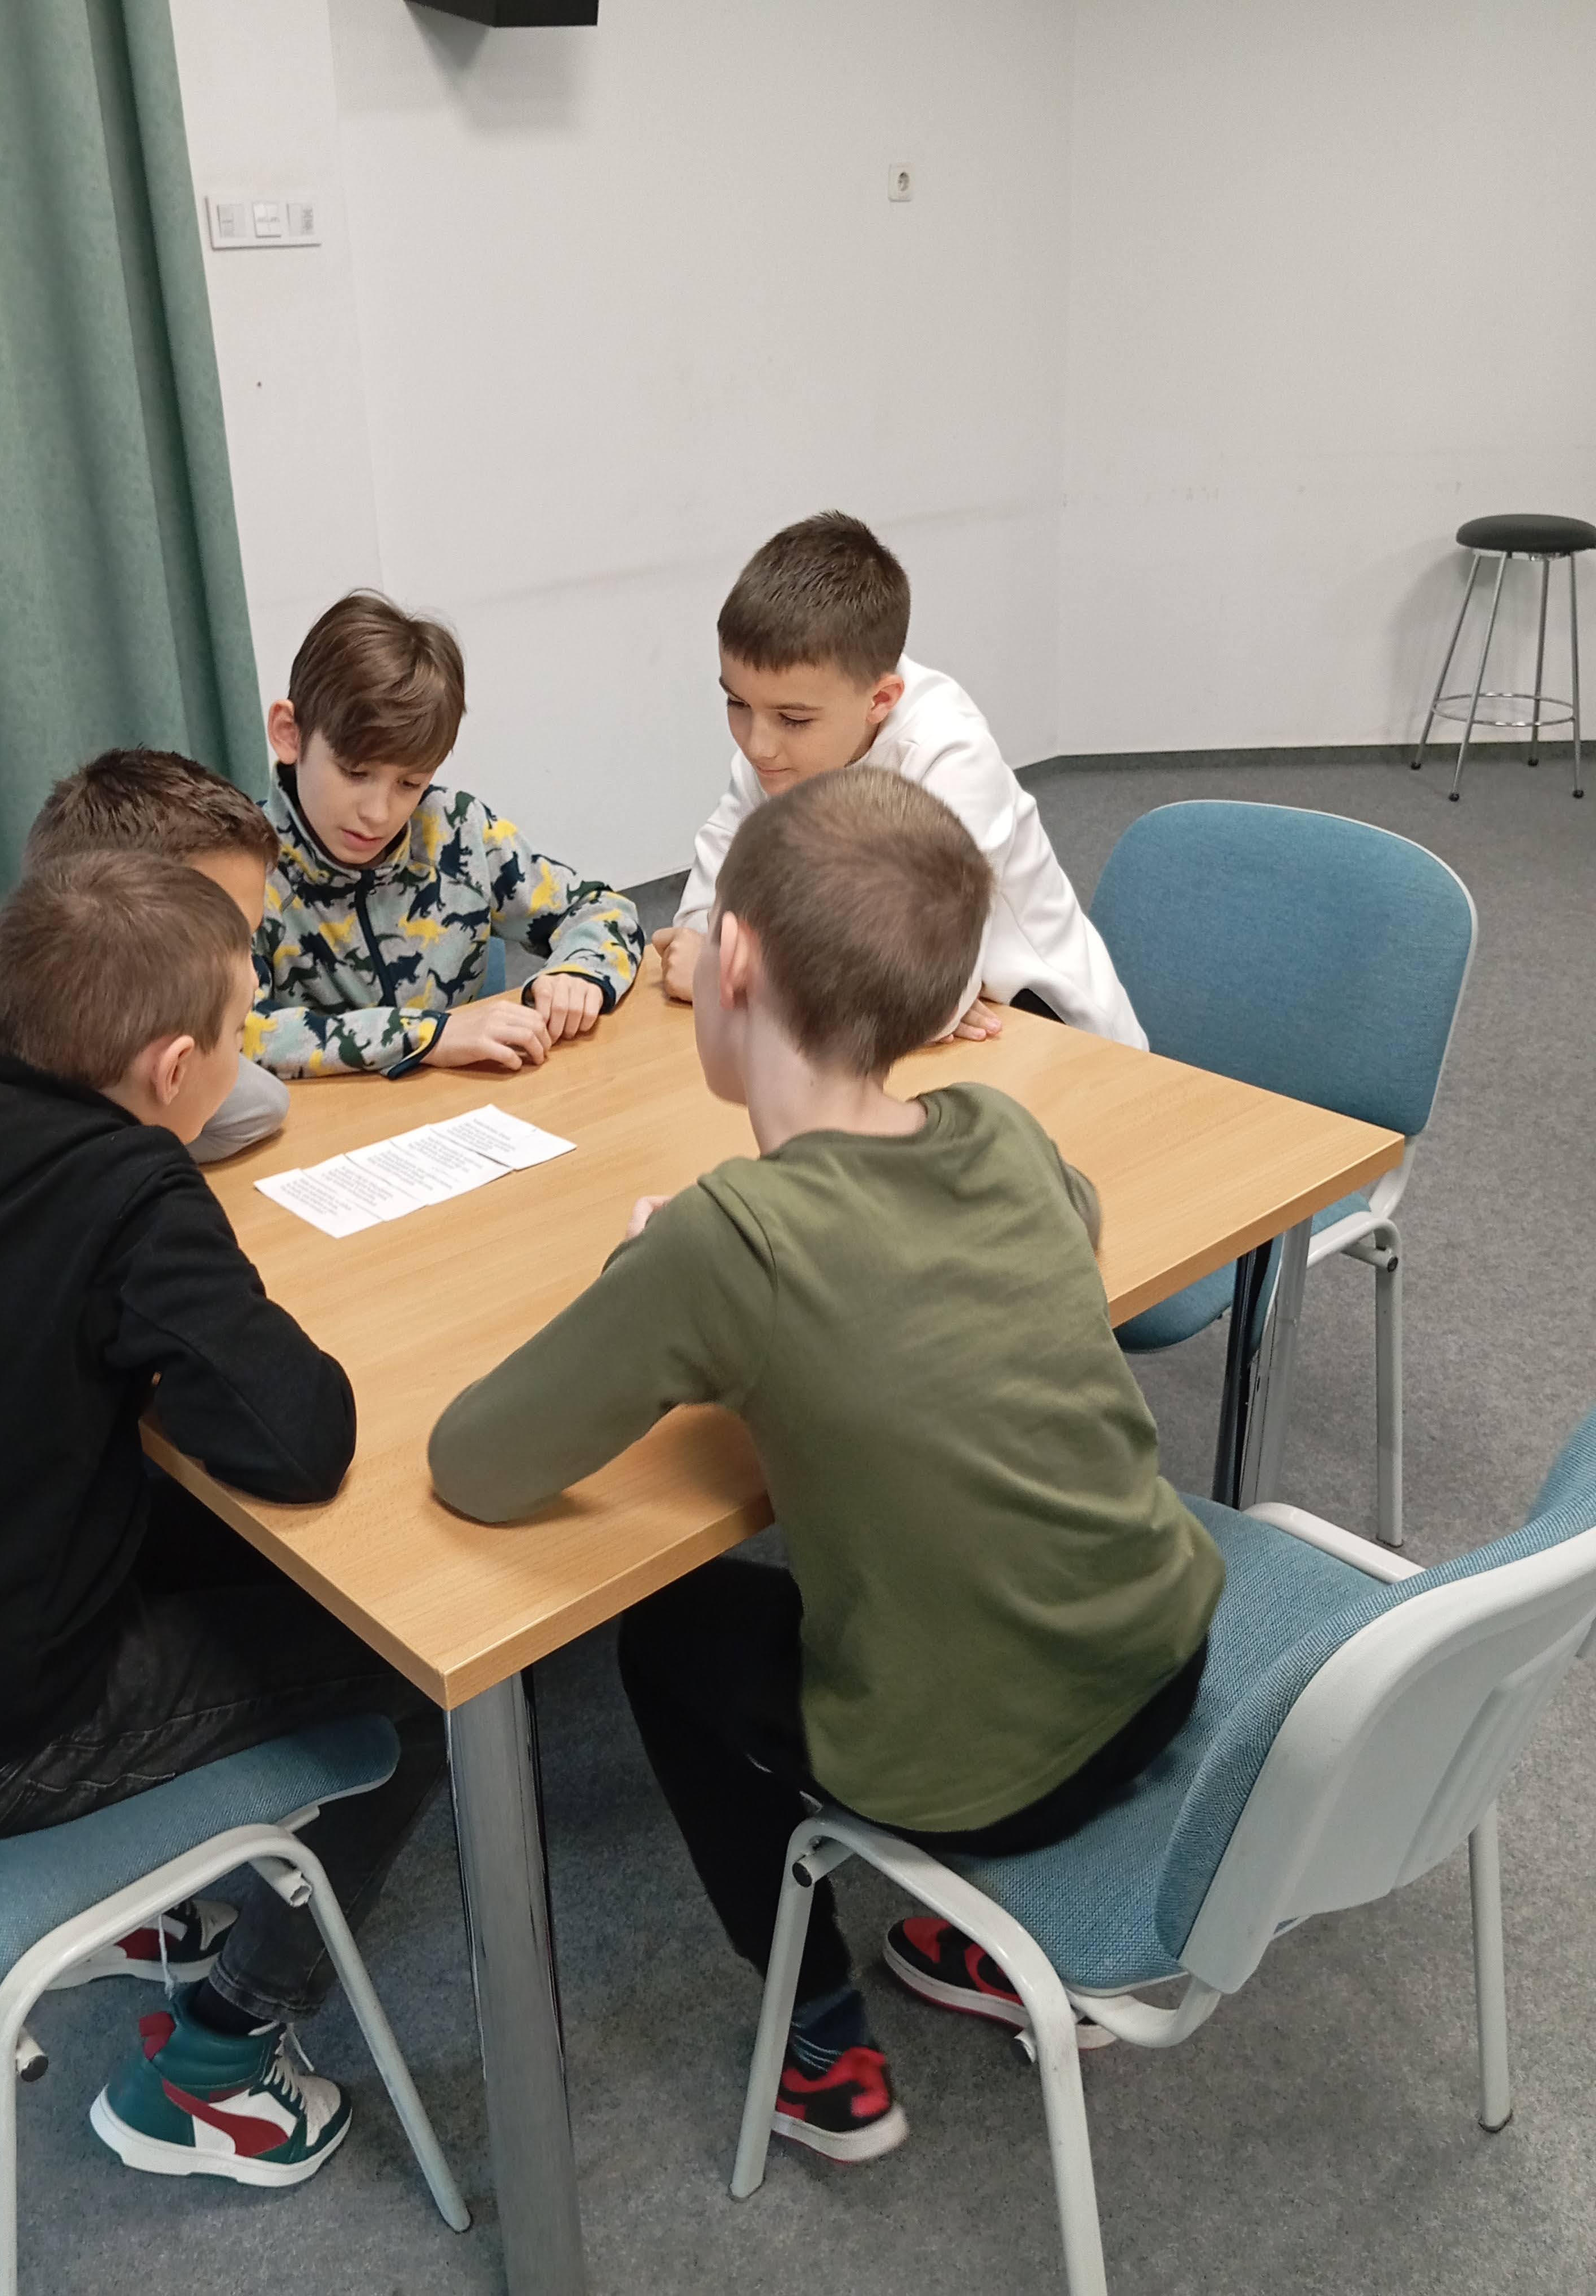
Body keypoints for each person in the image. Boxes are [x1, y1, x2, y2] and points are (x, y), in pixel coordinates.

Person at [429, 768, 1221, 2164]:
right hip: (1164, 1663)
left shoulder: (724, 1239)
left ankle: (818, 2031)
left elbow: (476, 1462)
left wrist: (646, 1273)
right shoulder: (1004, 1132)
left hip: (986, 1771)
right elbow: (1065, 1234)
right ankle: (984, 1939)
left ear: (728, 960)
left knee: (664, 1630)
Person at [0, 854, 446, 2186]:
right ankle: (217, 2062)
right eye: (240, 1029)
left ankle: (148, 1894)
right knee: (420, 1669)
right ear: (177, 1068)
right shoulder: (128, 1188)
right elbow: (297, 1439)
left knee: (209, 1543)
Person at [653, 510, 1145, 1048]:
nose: (756, 745)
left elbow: (930, 997)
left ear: (881, 700)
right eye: (737, 703)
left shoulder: (951, 757)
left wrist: (739, 975)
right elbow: (702, 918)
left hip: (1050, 1030)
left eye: (793, 719)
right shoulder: (779, 751)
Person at [250, 588, 644, 1077]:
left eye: (410, 784)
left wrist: (578, 972)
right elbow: (232, 1038)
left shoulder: (457, 830)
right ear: (289, 733)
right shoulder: (236, 869)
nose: (378, 813)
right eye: (355, 772)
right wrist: (427, 1035)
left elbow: (604, 910)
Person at [0, 747, 290, 1163]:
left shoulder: (136, 1033)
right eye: (219, 930)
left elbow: (261, 1106)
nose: (248, 971)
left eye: (245, 939)